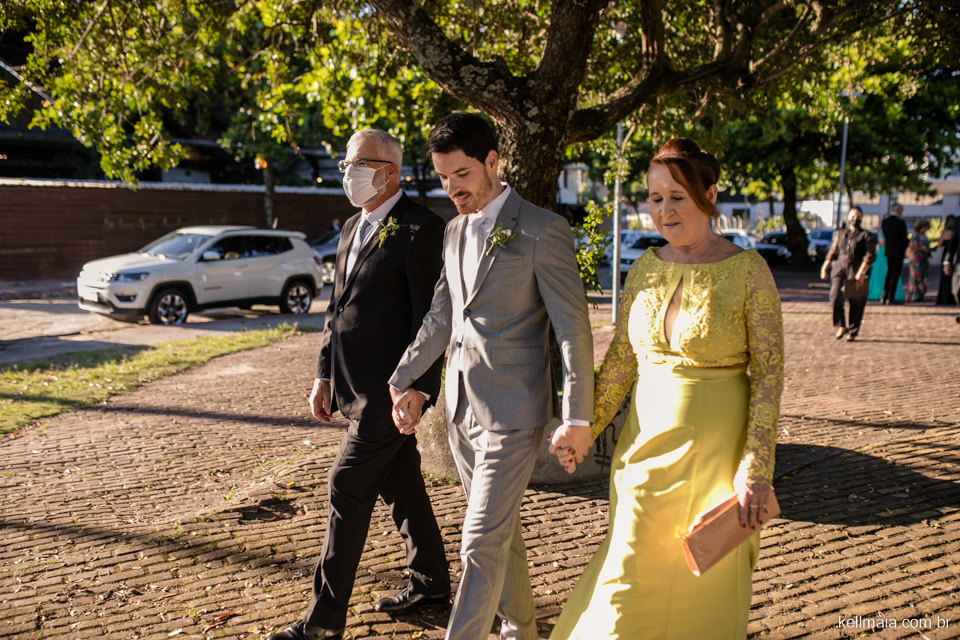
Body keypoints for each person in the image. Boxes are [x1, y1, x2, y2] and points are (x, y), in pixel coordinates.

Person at [548, 138, 783, 639]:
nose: (664, 211)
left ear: (709, 194)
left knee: (705, 583)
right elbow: (621, 361)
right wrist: (583, 426)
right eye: (655, 198)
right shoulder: (644, 268)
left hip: (718, 456)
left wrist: (756, 468)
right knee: (627, 573)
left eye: (677, 197)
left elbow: (768, 375)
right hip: (642, 447)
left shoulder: (749, 271)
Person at [389, 112, 594, 640]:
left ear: (492, 162)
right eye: (443, 177)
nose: (452, 188)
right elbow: (442, 315)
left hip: (514, 411)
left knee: (478, 540)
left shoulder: (543, 229)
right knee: (500, 536)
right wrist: (405, 378)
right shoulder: (454, 230)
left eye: (462, 174)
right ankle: (521, 630)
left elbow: (572, 329)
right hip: (460, 411)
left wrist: (576, 415)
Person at [268, 129, 450, 640]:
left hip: (390, 394)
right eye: (345, 165)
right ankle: (432, 583)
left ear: (388, 171)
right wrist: (323, 373)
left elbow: (431, 319)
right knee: (402, 485)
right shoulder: (351, 226)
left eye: (356, 164)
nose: (347, 173)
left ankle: (323, 622)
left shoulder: (422, 229)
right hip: (350, 387)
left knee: (345, 485)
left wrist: (418, 388)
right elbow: (337, 308)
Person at [820, 206, 877, 342]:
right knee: (835, 297)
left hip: (857, 269)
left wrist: (862, 271)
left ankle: (852, 331)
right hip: (840, 268)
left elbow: (869, 255)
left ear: (862, 218)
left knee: (856, 301)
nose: (855, 219)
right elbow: (833, 251)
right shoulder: (839, 233)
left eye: (858, 216)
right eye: (852, 216)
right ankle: (841, 325)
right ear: (848, 217)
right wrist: (824, 267)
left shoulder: (866, 235)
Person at [867, 215, 905, 303]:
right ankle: (886, 295)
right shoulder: (884, 229)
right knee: (889, 273)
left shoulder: (883, 228)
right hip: (884, 253)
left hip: (885, 252)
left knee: (887, 273)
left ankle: (885, 295)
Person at [881, 203, 908, 304]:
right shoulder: (900, 222)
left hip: (889, 251)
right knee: (895, 274)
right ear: (898, 210)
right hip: (898, 251)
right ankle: (890, 297)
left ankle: (884, 296)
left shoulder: (885, 222)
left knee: (889, 273)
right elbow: (904, 239)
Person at [906, 219, 932, 302]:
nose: (925, 229)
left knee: (923, 275)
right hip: (916, 258)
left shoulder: (924, 235)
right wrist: (923, 249)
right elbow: (912, 246)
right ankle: (914, 295)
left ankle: (921, 294)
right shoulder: (915, 235)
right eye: (925, 227)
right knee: (916, 276)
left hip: (923, 258)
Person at [935, 215, 956, 306]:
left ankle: (944, 298)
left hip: (946, 254)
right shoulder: (955, 231)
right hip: (954, 255)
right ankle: (952, 298)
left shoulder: (945, 232)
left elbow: (939, 244)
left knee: (945, 277)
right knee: (954, 277)